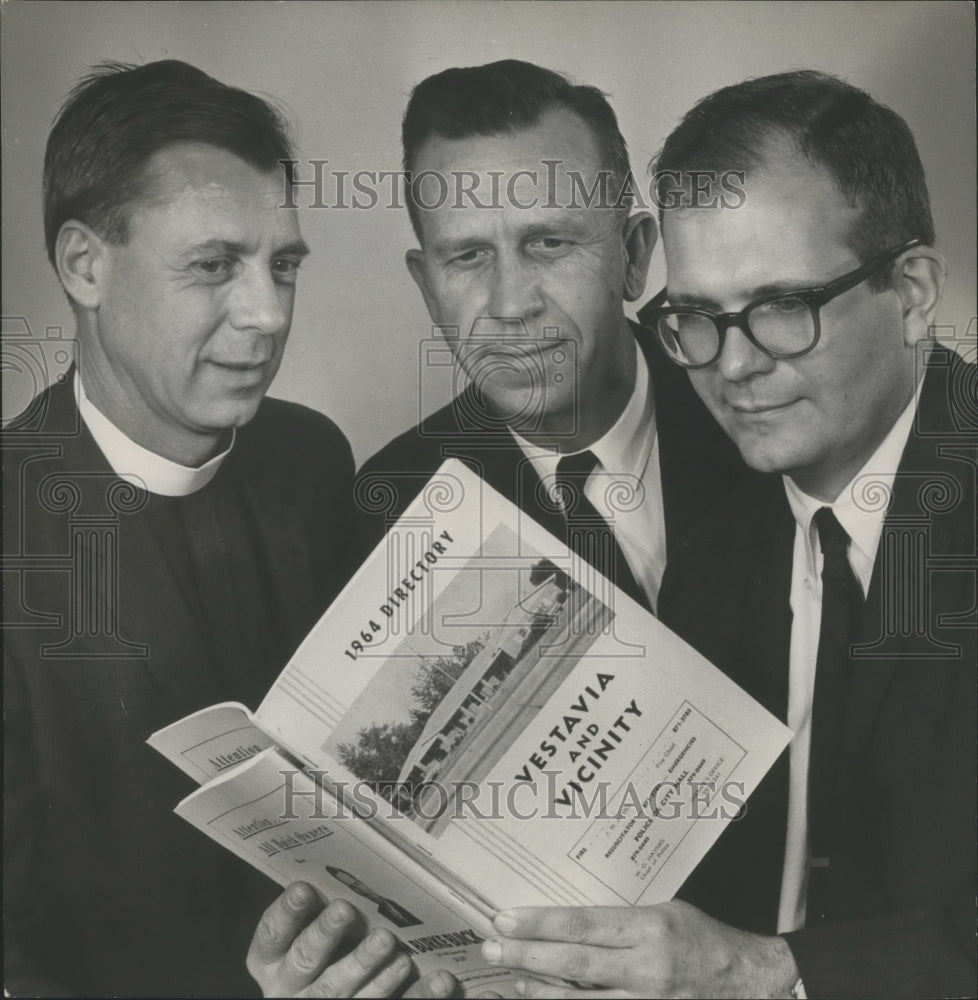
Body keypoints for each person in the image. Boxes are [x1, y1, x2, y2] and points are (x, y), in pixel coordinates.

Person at [247, 59, 756, 998]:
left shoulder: (763, 428)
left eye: (551, 243)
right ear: (425, 282)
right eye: (466, 256)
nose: (510, 304)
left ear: (637, 255)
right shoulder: (387, 504)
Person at [474, 71, 976, 998]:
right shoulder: (725, 518)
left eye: (783, 307)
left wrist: (765, 974)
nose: (734, 367)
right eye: (697, 318)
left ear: (911, 292)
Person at [2, 60, 362, 997]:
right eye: (213, 266)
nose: (269, 314)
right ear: (85, 265)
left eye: (282, 265)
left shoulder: (311, 458)